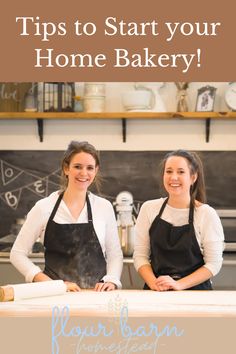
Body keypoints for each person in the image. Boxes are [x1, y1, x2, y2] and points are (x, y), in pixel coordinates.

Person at [10, 141, 123, 292]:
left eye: (90, 168)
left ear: (96, 171)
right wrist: (51, 285)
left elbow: (114, 253)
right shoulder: (44, 207)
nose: (84, 173)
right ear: (66, 168)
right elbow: (17, 254)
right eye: (77, 167)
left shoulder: (104, 207)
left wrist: (112, 280)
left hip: (95, 296)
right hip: (54, 295)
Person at [133, 149, 224, 291]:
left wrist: (179, 284)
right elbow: (140, 256)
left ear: (193, 177)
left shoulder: (206, 214)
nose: (173, 177)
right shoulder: (149, 209)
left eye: (181, 172)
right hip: (157, 292)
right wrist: (154, 284)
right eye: (169, 171)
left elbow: (214, 263)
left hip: (196, 295)